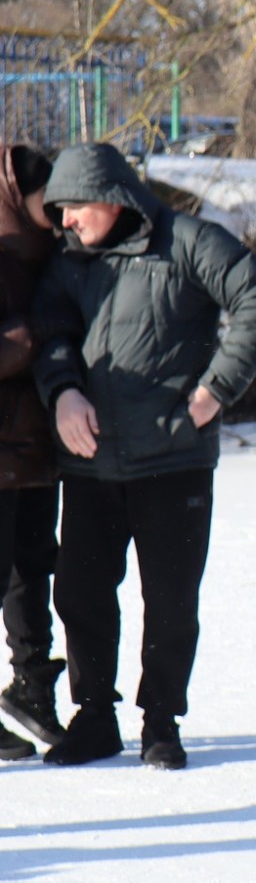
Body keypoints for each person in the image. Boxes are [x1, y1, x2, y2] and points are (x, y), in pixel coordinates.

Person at [31, 142, 256, 768]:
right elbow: (50, 332)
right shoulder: (69, 262)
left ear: (112, 198)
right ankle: (94, 718)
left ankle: (161, 722)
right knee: (82, 593)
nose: (65, 222)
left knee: (170, 599)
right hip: (90, 463)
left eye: (75, 207)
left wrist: (217, 387)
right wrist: (61, 392)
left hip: (174, 460)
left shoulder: (188, 240)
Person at [0, 145, 59, 760]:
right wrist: (33, 338)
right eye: (53, 200)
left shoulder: (52, 255)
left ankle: (31, 685)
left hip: (40, 445)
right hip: (5, 444)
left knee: (34, 569)